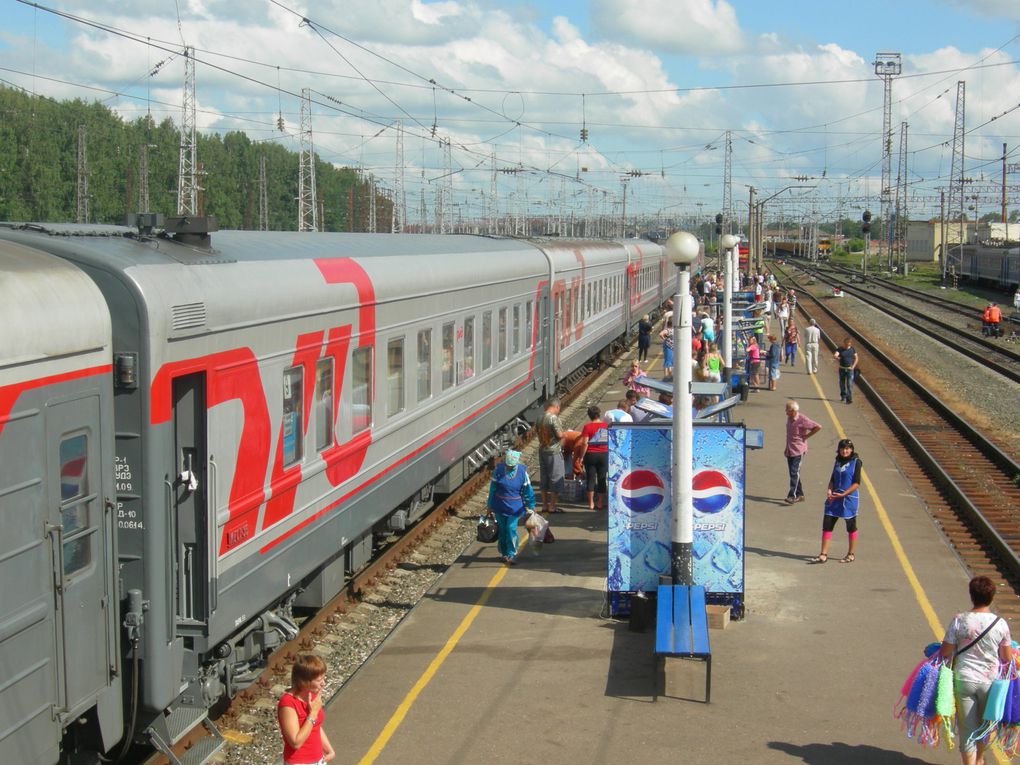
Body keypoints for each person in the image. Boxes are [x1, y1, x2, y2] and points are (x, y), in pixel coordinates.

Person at [938, 576, 1014, 765]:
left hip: (964, 679)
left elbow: (945, 651)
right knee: (986, 725)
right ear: (992, 597)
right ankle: (980, 759)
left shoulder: (959, 620)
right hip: (990, 682)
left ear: (971, 596)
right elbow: (1006, 657)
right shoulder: (1000, 624)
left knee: (967, 728)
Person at [808, 439, 862, 564]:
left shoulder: (856, 462)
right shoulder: (837, 461)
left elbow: (856, 483)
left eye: (848, 448)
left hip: (848, 499)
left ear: (852, 449)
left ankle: (851, 554)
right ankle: (823, 554)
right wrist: (829, 489)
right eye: (843, 448)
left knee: (851, 526)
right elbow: (832, 478)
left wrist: (844, 494)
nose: (845, 451)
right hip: (834, 498)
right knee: (827, 524)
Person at [278, 654, 336, 765]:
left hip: (318, 760)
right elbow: (295, 742)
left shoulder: (312, 696)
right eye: (319, 680)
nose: (323, 683)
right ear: (304, 681)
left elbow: (316, 726)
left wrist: (329, 750)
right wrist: (312, 714)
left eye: (323, 678)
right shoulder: (288, 704)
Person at [486, 449, 536, 563]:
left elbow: (528, 491)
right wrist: (489, 506)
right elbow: (492, 489)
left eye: (512, 466)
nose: (509, 467)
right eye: (508, 465)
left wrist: (531, 505)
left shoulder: (523, 473)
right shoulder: (498, 470)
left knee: (511, 529)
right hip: (499, 506)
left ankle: (511, 553)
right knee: (502, 530)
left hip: (515, 508)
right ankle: (504, 553)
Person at [784, 400, 821, 504]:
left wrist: (807, 436)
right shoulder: (789, 418)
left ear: (793, 411)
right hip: (790, 450)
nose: (786, 412)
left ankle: (792, 496)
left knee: (794, 472)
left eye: (787, 410)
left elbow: (818, 427)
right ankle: (800, 494)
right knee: (794, 473)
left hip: (798, 451)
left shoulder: (802, 419)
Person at [536, 398, 566, 513]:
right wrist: (565, 434)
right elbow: (559, 435)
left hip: (542, 450)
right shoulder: (553, 418)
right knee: (556, 477)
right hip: (553, 452)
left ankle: (544, 505)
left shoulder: (539, 418)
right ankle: (552, 506)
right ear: (556, 407)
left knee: (544, 478)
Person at [577, 405, 609, 511]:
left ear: (589, 416)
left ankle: (591, 503)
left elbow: (585, 443)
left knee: (591, 479)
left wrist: (581, 457)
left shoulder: (587, 427)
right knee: (602, 479)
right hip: (604, 454)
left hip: (590, 455)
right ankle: (600, 503)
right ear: (599, 414)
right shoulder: (606, 426)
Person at [833, 337, 858, 403]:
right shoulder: (840, 349)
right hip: (842, 369)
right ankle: (843, 396)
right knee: (842, 383)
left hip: (850, 369)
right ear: (844, 343)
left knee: (849, 384)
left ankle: (849, 398)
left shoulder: (852, 349)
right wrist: (837, 357)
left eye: (848, 345)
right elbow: (835, 355)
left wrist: (853, 366)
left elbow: (856, 358)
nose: (847, 346)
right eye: (846, 345)